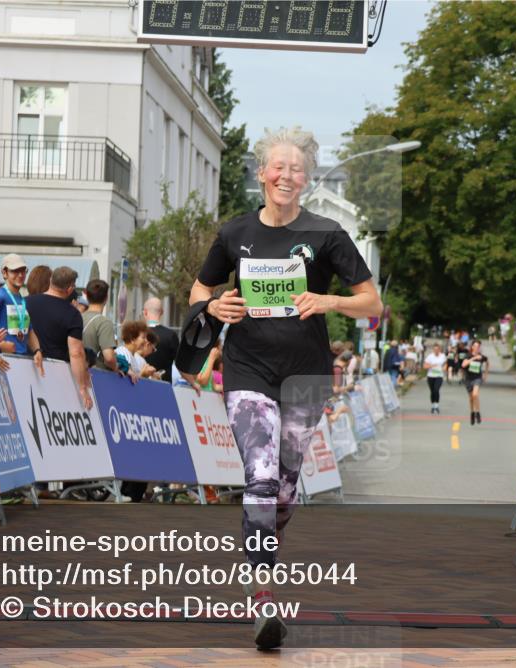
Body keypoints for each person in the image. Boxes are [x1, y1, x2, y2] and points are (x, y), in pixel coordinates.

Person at [182, 126, 382, 650]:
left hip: (306, 375)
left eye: (297, 169)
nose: (287, 176)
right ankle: (263, 597)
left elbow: (372, 302)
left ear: (307, 178)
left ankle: (263, 553)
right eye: (279, 167)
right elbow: (200, 288)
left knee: (286, 492)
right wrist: (213, 306)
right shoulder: (234, 233)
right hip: (247, 369)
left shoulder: (327, 234)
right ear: (262, 174)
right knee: (262, 477)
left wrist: (329, 301)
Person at [25, 266, 93, 409]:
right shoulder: (72, 314)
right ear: (70, 288)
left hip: (26, 367)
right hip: (58, 376)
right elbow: (76, 353)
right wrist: (82, 388)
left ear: (51, 281)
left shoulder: (25, 302)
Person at [0, 253, 33, 355]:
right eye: (15, 271)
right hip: (1, 357)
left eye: (23, 270)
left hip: (21, 357)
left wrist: (37, 350)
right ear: (4, 273)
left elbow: (29, 330)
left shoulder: (22, 300)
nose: (20, 275)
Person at [81, 279, 119, 371]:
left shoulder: (77, 318)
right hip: (96, 374)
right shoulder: (104, 322)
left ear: (87, 296)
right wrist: (116, 368)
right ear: (106, 298)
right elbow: (109, 358)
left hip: (76, 370)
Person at [142, 296, 180, 382]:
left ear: (145, 312)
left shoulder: (139, 334)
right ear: (162, 312)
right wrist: (193, 382)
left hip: (140, 383)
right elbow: (180, 364)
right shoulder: (171, 335)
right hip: (164, 385)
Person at [461, 339, 489, 425]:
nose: (477, 348)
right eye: (475, 346)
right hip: (468, 379)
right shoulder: (468, 355)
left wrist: (485, 374)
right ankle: (472, 413)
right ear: (472, 347)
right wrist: (473, 358)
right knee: (471, 398)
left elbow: (487, 363)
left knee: (475, 394)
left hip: (477, 378)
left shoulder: (482, 357)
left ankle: (478, 412)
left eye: (478, 346)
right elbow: (463, 365)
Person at [424, 343, 447, 414]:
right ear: (433, 350)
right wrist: (431, 365)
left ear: (439, 349)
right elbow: (425, 366)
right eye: (435, 349)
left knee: (436, 390)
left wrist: (444, 367)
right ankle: (433, 406)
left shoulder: (442, 356)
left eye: (437, 349)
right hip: (431, 376)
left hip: (439, 376)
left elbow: (446, 363)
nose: (436, 351)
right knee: (432, 391)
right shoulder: (430, 356)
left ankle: (436, 406)